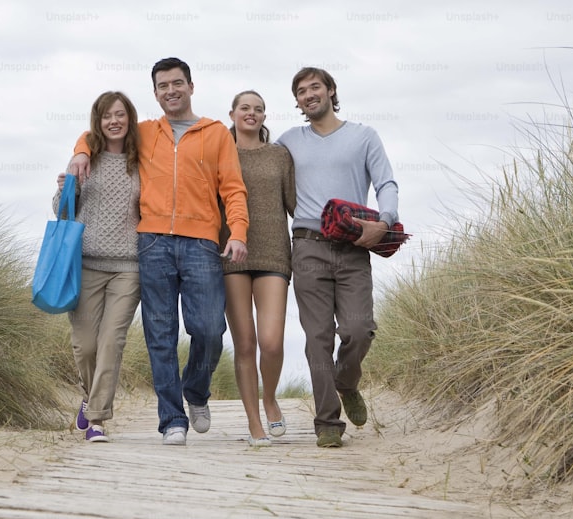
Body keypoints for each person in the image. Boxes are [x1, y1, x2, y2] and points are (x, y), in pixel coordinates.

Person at [67, 57, 249, 446]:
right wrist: (80, 151)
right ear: (155, 93)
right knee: (160, 335)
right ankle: (171, 419)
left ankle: (197, 390)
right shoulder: (145, 132)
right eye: (163, 85)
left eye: (177, 83)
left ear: (191, 86)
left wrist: (238, 232)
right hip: (151, 242)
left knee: (209, 329)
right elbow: (99, 129)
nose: (171, 90)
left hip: (202, 242)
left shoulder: (216, 133)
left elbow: (233, 189)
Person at [276, 67, 400, 448]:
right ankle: (327, 422)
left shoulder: (363, 136)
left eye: (315, 87)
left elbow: (386, 183)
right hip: (308, 246)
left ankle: (346, 382)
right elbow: (256, 168)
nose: (309, 94)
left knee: (359, 330)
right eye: (301, 91)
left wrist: (385, 220)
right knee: (317, 338)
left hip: (353, 244)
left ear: (331, 90)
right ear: (296, 101)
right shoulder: (288, 142)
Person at [54, 91, 142, 443]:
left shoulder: (142, 162)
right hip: (86, 264)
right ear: (98, 121)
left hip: (129, 266)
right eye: (107, 116)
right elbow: (62, 214)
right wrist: (65, 191)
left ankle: (98, 419)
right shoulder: (84, 160)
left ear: (129, 118)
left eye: (120, 114)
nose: (114, 121)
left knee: (111, 342)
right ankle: (90, 397)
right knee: (86, 345)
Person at [220, 91, 296, 447]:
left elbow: (297, 203)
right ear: (232, 113)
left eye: (259, 109)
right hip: (231, 254)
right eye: (245, 108)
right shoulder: (219, 152)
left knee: (272, 342)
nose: (252, 113)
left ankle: (270, 398)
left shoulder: (280, 156)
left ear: (265, 116)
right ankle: (254, 423)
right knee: (246, 344)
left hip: (274, 253)